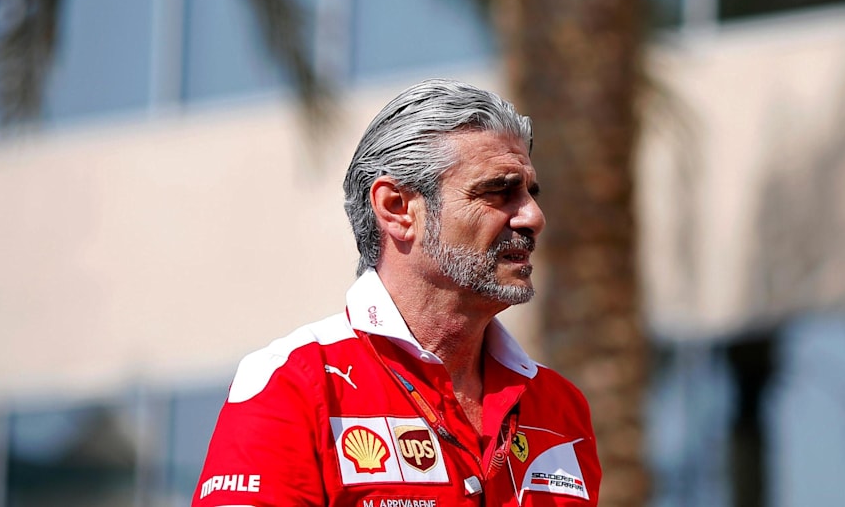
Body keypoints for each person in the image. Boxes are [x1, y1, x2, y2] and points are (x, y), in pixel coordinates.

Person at [192, 79, 601, 506]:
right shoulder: (294, 381)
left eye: (531, 194)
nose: (533, 217)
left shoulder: (560, 407)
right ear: (397, 209)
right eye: (499, 191)